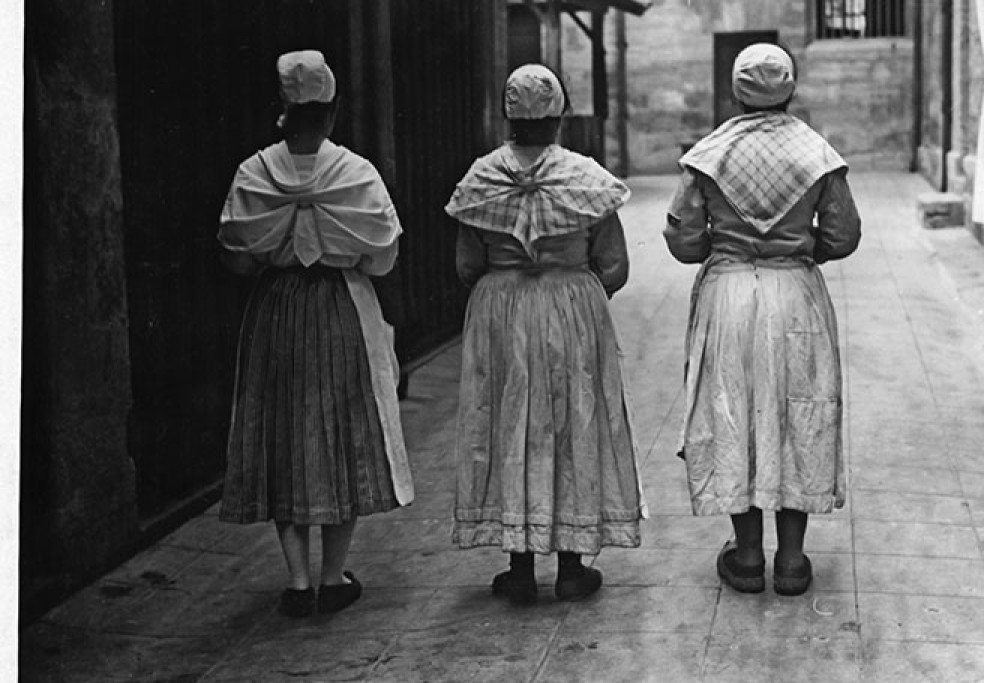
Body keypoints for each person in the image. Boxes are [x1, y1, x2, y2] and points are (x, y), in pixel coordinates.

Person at [217, 50, 413, 617]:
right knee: (342, 429)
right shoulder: (354, 173)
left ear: (282, 108)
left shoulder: (255, 172)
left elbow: (236, 256)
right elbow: (382, 256)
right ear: (331, 111)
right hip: (340, 305)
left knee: (285, 433)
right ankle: (333, 576)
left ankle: (297, 580)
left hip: (277, 308)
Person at [444, 64, 646, 605]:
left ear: (508, 116)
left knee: (511, 422)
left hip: (502, 310)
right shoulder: (584, 178)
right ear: (559, 116)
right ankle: (574, 567)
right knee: (572, 419)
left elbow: (468, 265)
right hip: (570, 304)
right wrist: (574, 288)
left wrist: (509, 276)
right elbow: (616, 265)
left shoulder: (482, 178)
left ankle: (520, 565)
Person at [664, 43, 861, 595]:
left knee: (732, 411)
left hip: (727, 293)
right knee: (797, 411)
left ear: (736, 92)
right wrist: (800, 250)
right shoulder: (817, 153)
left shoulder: (708, 154)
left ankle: (748, 556)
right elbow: (844, 234)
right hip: (795, 291)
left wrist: (721, 244)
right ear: (791, 90)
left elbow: (683, 240)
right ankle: (793, 561)